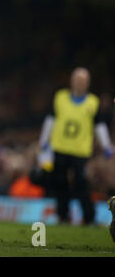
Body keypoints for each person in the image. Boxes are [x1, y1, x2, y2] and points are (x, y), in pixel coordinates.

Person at [39, 67, 114, 224]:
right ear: (72, 81)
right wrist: (44, 140)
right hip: (60, 147)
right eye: (77, 80)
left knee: (82, 183)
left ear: (88, 83)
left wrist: (106, 145)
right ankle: (63, 216)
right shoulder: (60, 98)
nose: (80, 83)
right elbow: (50, 119)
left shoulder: (93, 102)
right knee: (60, 182)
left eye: (83, 80)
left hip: (81, 150)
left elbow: (99, 125)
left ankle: (89, 217)